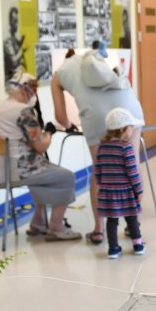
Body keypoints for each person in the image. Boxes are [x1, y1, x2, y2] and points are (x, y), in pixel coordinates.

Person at [51, 40, 145, 245]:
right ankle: (132, 225)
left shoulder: (58, 74)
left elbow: (60, 116)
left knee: (100, 170)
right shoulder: (93, 59)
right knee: (133, 163)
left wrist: (68, 124)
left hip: (95, 115)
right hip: (129, 107)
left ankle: (99, 230)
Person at [0, 72, 81, 241]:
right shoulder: (23, 111)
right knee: (66, 176)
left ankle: (38, 223)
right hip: (17, 169)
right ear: (22, 89)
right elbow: (40, 145)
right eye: (33, 87)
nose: (35, 92)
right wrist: (49, 132)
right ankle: (56, 227)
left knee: (44, 173)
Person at [95, 108, 145, 259]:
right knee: (131, 218)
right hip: (125, 191)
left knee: (112, 221)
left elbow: (97, 169)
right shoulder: (126, 148)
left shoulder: (102, 147)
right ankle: (137, 245)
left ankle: (113, 249)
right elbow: (132, 172)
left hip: (108, 192)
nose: (132, 132)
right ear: (123, 129)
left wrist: (100, 186)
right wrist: (139, 190)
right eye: (131, 128)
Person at [3, 7, 27, 81]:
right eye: (15, 21)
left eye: (17, 21)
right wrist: (22, 49)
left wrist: (21, 42)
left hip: (18, 77)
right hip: (12, 80)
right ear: (10, 22)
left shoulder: (13, 36)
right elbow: (14, 61)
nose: (17, 24)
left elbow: (16, 49)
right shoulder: (8, 39)